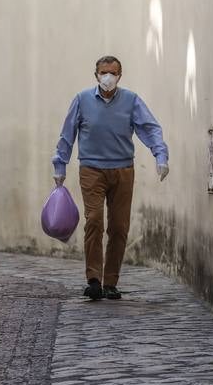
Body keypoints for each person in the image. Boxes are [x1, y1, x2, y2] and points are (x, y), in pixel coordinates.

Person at [52, 55, 169, 300]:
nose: (108, 77)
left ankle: (110, 282)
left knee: (118, 227)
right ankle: (93, 279)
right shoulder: (82, 100)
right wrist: (60, 165)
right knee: (94, 220)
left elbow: (149, 128)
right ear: (96, 75)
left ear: (120, 75)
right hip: (92, 170)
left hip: (123, 171)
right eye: (104, 72)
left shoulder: (131, 100)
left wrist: (161, 156)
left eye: (113, 73)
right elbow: (67, 133)